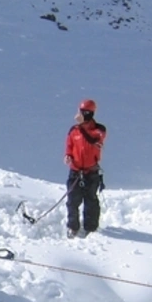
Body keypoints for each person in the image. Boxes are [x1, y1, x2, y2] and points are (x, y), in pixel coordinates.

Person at [64, 99, 107, 238]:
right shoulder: (73, 131)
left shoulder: (99, 130)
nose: (81, 114)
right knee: (72, 201)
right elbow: (69, 146)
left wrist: (82, 126)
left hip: (91, 172)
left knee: (91, 201)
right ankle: (73, 226)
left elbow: (94, 140)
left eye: (84, 112)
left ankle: (91, 227)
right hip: (75, 171)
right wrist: (68, 156)